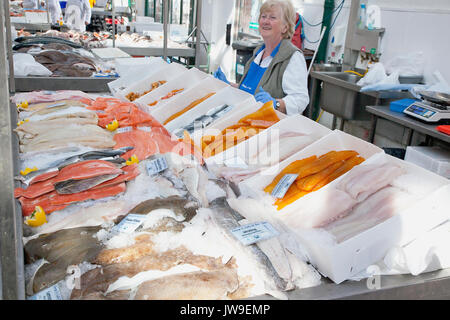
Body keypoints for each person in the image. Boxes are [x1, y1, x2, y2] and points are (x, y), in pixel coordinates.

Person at [214, 0, 309, 115]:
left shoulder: (292, 57)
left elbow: (300, 99)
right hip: (246, 119)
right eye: (263, 16)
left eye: (272, 18)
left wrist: (276, 104)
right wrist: (228, 85)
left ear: (285, 27)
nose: (266, 21)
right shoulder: (258, 52)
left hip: (270, 127)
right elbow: (250, 90)